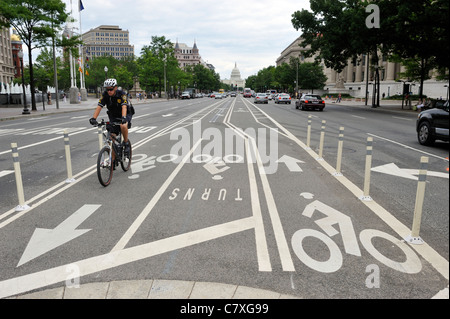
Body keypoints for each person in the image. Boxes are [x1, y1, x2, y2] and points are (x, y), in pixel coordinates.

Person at [89, 78, 131, 154]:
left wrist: (124, 117)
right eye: (107, 89)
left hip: (125, 113)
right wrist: (93, 118)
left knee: (123, 126)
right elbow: (99, 106)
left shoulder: (122, 94)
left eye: (111, 89)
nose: (109, 91)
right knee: (111, 139)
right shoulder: (105, 95)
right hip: (113, 115)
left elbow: (124, 107)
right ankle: (112, 162)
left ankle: (126, 143)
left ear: (115, 87)